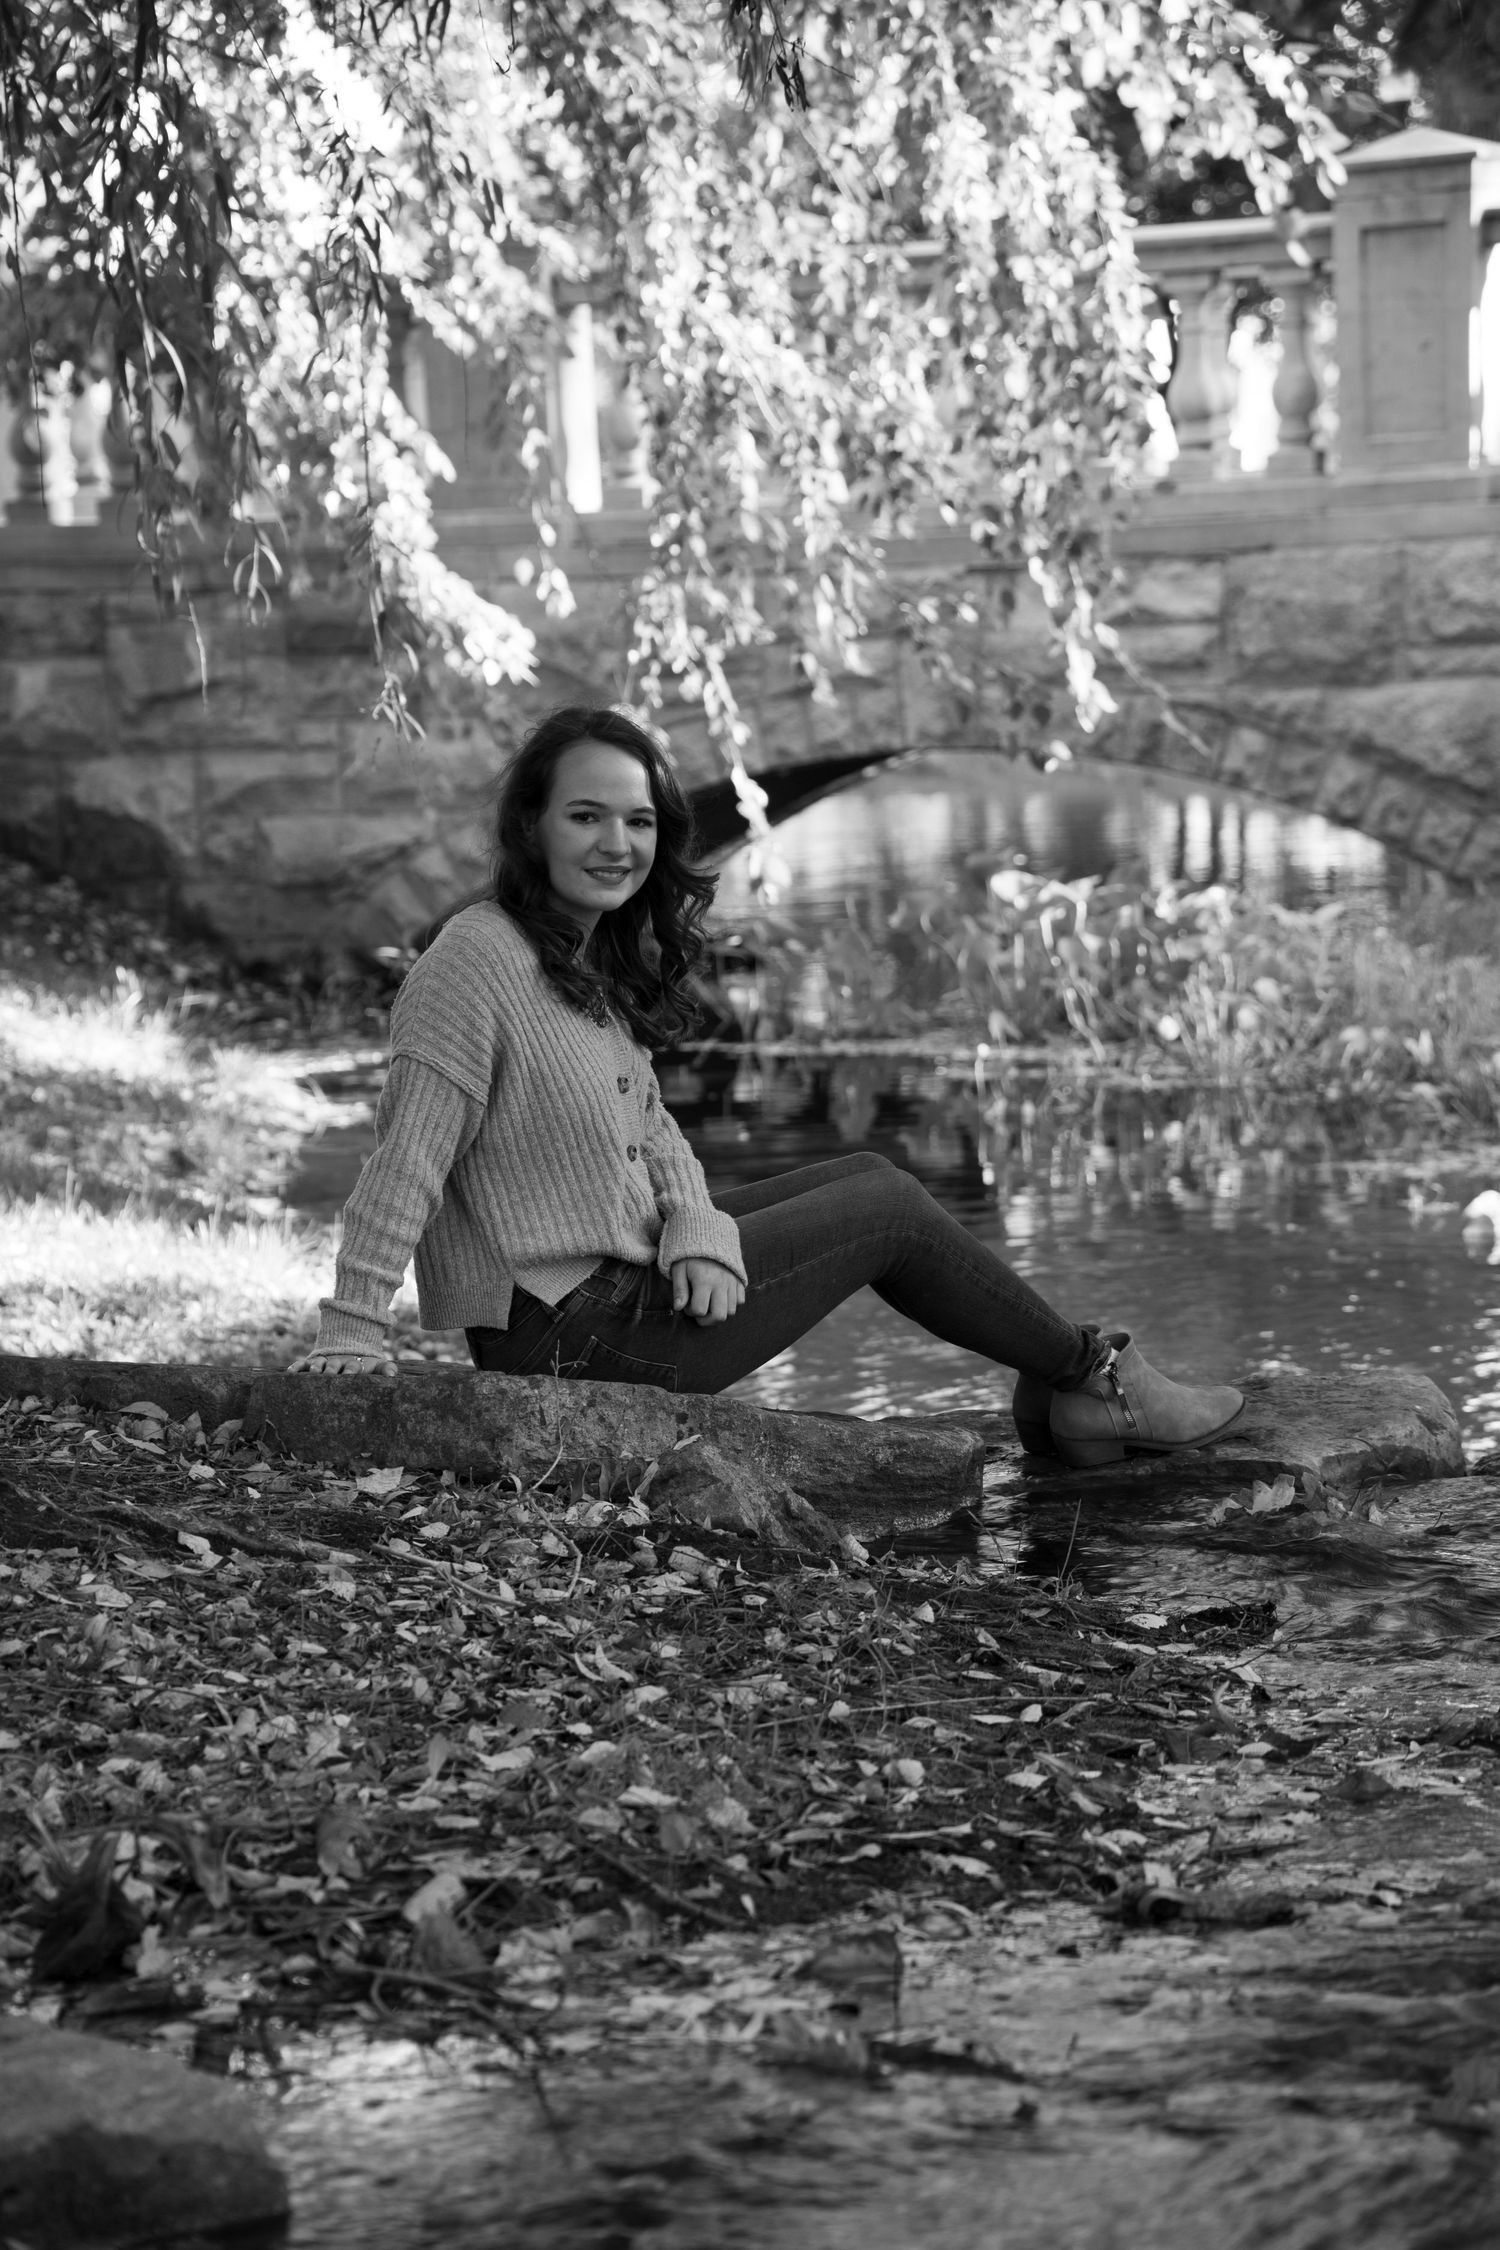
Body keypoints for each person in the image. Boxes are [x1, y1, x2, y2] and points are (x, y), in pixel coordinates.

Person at [292, 705, 1243, 1470]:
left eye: (638, 820)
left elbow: (654, 1132)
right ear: (531, 825)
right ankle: (1091, 1378)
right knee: (889, 1211)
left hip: (620, 1288)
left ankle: (1063, 1383)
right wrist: (353, 1330)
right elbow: (406, 1157)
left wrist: (700, 1234)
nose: (617, 842)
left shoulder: (578, 958)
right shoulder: (476, 958)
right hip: (570, 1338)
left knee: (867, 1169)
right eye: (586, 816)